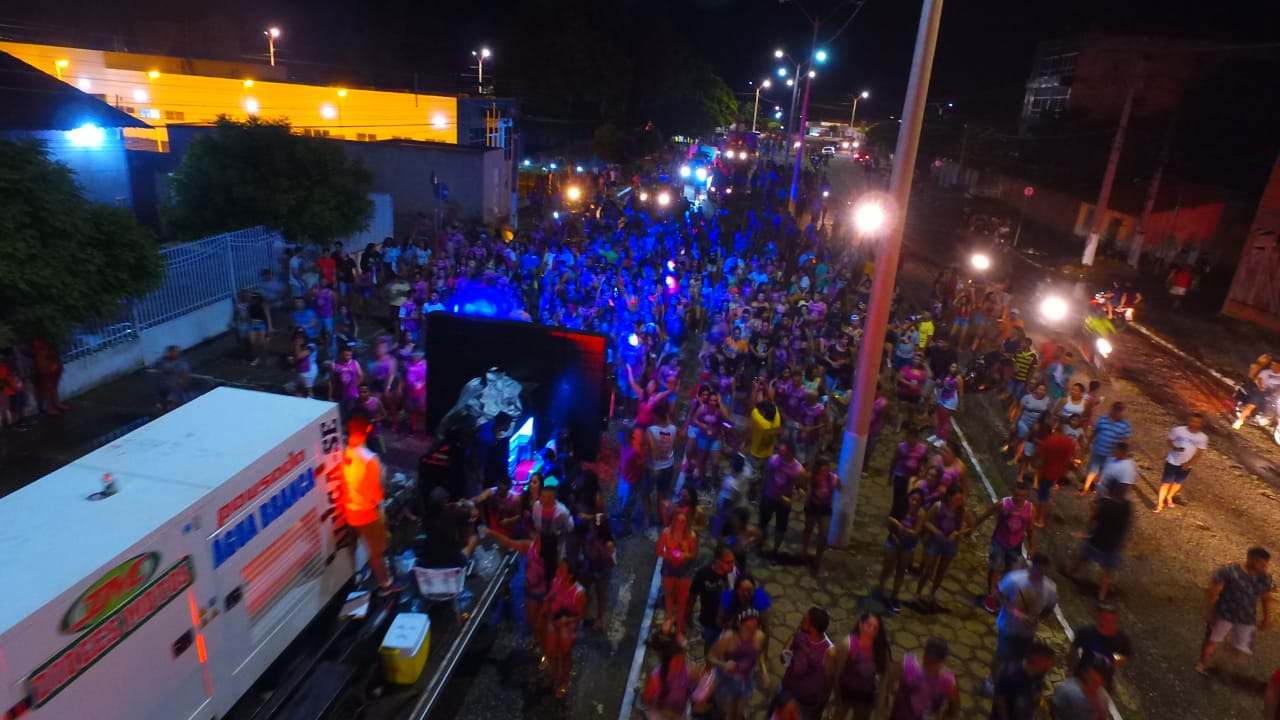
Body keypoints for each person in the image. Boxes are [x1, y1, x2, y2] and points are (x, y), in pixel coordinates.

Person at [342, 417, 403, 596]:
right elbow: (379, 490)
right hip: (368, 511)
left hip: (350, 509)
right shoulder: (370, 458)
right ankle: (386, 585)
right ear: (367, 431)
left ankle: (356, 578)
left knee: (356, 547)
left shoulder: (345, 453)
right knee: (377, 551)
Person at [983, 553, 1058, 697]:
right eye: (1039, 569)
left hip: (1028, 631)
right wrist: (1014, 611)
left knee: (1020, 658)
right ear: (1033, 566)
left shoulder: (1050, 588)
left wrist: (1038, 619)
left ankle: (1010, 682)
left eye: (1044, 571)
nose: (1041, 574)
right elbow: (997, 593)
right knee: (1002, 654)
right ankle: (991, 680)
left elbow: (1050, 607)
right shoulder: (1015, 579)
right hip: (1008, 626)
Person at [1197, 546, 1274, 675]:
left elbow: (1266, 598)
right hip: (1224, 613)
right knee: (1211, 640)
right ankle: (1202, 664)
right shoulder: (1229, 572)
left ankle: (1225, 665)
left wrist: (1267, 617)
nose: (1264, 567)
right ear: (1251, 559)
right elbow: (1214, 590)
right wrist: (1210, 610)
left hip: (1246, 618)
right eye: (1261, 563)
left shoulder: (1264, 578)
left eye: (1265, 564)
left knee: (1243, 648)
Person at [974, 483, 1036, 614]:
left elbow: (1030, 529)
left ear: (1027, 495)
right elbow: (985, 514)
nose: (1018, 498)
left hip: (1015, 545)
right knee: (995, 569)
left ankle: (1002, 595)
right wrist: (972, 526)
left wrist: (1032, 546)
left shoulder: (1030, 509)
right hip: (999, 542)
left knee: (1012, 573)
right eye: (1016, 495)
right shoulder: (1003, 504)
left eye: (1021, 496)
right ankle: (991, 596)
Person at [1067, 481, 1133, 602]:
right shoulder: (1126, 506)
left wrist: (1086, 534)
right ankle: (1101, 596)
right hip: (1113, 543)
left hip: (1098, 539)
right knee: (1107, 572)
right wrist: (1125, 540)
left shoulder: (1105, 505)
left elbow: (1094, 522)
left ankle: (1072, 574)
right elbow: (1127, 526)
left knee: (1084, 558)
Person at [915, 486, 972, 609]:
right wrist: (937, 531)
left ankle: (932, 594)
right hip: (935, 541)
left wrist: (958, 533)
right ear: (949, 497)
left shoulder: (962, 511)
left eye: (960, 499)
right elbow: (926, 521)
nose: (959, 501)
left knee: (941, 571)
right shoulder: (938, 506)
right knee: (928, 569)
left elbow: (970, 526)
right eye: (956, 499)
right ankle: (918, 592)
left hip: (951, 544)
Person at [708, 609, 770, 720]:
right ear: (739, 624)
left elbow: (760, 653)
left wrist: (764, 671)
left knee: (740, 711)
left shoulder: (760, 636)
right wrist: (723, 664)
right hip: (728, 681)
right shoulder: (728, 638)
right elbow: (711, 657)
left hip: (746, 680)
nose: (752, 631)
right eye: (748, 628)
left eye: (755, 627)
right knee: (729, 713)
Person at [831, 613, 891, 720]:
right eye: (869, 625)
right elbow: (837, 672)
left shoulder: (880, 649)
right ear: (861, 625)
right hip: (846, 692)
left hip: (866, 695)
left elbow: (885, 674)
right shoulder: (848, 644)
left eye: (875, 628)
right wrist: (837, 698)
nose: (871, 630)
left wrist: (882, 700)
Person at [881, 638, 959, 720]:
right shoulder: (909, 665)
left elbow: (954, 707)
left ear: (941, 662)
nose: (929, 665)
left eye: (933, 662)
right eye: (928, 660)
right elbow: (887, 678)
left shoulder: (947, 681)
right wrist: (883, 701)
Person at [780, 607, 837, 720]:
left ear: (813, 629)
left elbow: (827, 686)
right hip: (786, 691)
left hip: (805, 704)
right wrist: (793, 637)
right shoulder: (800, 633)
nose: (802, 620)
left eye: (805, 620)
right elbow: (784, 658)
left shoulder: (829, 652)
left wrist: (820, 709)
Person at [543, 560, 587, 697]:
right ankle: (554, 673)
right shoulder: (556, 581)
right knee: (550, 651)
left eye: (561, 571)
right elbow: (550, 598)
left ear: (570, 576)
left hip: (568, 627)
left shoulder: (578, 593)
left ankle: (565, 681)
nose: (557, 573)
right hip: (554, 622)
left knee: (565, 654)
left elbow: (582, 615)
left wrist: (567, 620)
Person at [878, 489, 925, 614]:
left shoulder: (920, 514)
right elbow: (889, 523)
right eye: (912, 499)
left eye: (917, 501)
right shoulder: (900, 507)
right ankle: (881, 587)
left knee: (901, 570)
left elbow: (916, 532)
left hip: (908, 545)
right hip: (893, 540)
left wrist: (901, 527)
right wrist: (897, 534)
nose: (914, 503)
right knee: (888, 567)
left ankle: (894, 596)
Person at [1068, 604, 1132, 692]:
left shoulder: (1121, 639)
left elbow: (1125, 657)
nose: (1106, 624)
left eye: (1110, 621)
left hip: (1104, 682)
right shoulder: (1086, 632)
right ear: (1099, 619)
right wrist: (1070, 669)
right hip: (1082, 676)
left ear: (1115, 622)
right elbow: (1073, 650)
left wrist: (1111, 660)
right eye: (1104, 620)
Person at [691, 545, 742, 650]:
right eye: (728, 562)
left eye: (733, 561)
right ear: (717, 561)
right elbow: (693, 594)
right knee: (711, 645)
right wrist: (688, 614)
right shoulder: (703, 574)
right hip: (710, 620)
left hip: (730, 619)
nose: (732, 565)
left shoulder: (734, 573)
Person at [657, 510, 698, 643]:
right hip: (669, 568)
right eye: (678, 520)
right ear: (673, 521)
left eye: (683, 521)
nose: (681, 524)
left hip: (684, 571)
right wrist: (669, 555)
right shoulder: (666, 533)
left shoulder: (691, 536)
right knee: (668, 594)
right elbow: (658, 551)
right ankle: (669, 617)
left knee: (682, 602)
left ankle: (679, 630)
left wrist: (684, 555)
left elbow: (693, 554)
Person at [760, 441, 806, 558]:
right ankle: (761, 540)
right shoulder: (774, 460)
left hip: (783, 502)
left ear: (791, 453)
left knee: (780, 527)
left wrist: (792, 500)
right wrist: (762, 491)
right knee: (763, 521)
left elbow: (803, 490)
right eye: (779, 452)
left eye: (783, 453)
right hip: (769, 496)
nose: (780, 455)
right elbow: (766, 475)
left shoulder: (798, 469)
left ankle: (775, 550)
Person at [1155, 412, 1208, 513]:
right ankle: (1159, 503)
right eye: (1192, 421)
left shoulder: (1202, 437)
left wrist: (1188, 463)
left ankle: (1169, 496)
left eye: (1197, 422)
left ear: (1201, 424)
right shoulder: (1178, 430)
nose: (1194, 423)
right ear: (1189, 420)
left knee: (1178, 482)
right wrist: (1175, 448)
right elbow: (1169, 441)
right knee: (1166, 482)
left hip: (1187, 464)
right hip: (1172, 460)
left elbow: (1200, 453)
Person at [990, 640, 1055, 720]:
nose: (1050, 667)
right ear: (1038, 661)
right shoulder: (1010, 675)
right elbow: (999, 700)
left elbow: (1037, 693)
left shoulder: (1039, 673)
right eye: (1049, 662)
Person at [642, 639, 705, 720]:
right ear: (668, 662)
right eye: (676, 662)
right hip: (661, 715)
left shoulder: (687, 669)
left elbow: (698, 682)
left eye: (681, 660)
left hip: (681, 713)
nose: (680, 664)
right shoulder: (656, 678)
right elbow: (647, 701)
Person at [1034, 418, 1078, 528]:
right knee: (1045, 493)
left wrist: (1037, 467)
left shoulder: (1048, 442)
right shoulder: (1070, 443)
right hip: (1059, 473)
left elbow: (1041, 459)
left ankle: (1040, 519)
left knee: (1042, 496)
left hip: (1047, 472)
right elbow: (1070, 459)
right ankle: (1040, 515)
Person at [1080, 402, 1131, 495]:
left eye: (1120, 411)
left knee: (1104, 474)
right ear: (1113, 410)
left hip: (1110, 455)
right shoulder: (1103, 419)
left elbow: (1125, 441)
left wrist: (1122, 455)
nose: (1118, 413)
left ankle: (1098, 489)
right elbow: (1095, 432)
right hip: (1097, 450)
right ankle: (1085, 489)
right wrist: (1088, 444)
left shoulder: (1125, 425)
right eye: (1117, 410)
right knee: (1092, 470)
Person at [800, 458, 840, 570]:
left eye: (826, 471)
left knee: (824, 534)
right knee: (808, 529)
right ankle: (804, 552)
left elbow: (840, 488)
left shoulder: (833, 479)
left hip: (825, 508)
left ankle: (818, 558)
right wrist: (804, 494)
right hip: (812, 506)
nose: (824, 474)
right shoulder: (810, 476)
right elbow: (802, 485)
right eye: (821, 471)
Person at [646, 405, 679, 527]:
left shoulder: (651, 430)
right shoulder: (673, 429)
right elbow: (681, 437)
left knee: (646, 493)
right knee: (662, 494)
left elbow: (653, 448)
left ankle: (649, 520)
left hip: (656, 467)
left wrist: (653, 465)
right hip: (669, 465)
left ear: (655, 416)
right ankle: (662, 519)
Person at [889, 425, 929, 520]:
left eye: (911, 438)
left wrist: (922, 472)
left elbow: (925, 461)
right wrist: (890, 476)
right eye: (907, 437)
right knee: (898, 498)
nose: (909, 440)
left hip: (913, 478)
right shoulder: (901, 447)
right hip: (900, 476)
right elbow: (894, 461)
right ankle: (893, 517)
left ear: (916, 437)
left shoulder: (922, 449)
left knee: (907, 499)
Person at [1235, 357, 1280, 429]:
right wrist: (1260, 386)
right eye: (1273, 365)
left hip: (1273, 394)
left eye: (1277, 366)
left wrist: (1276, 392)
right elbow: (1258, 380)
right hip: (1262, 391)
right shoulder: (1265, 372)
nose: (1274, 367)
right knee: (1251, 406)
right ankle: (1239, 420)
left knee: (1278, 411)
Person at [156, 345, 191, 412]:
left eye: (176, 352)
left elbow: (185, 376)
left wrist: (181, 384)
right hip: (164, 387)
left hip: (175, 387)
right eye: (174, 352)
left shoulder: (182, 363)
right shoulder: (162, 362)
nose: (176, 353)